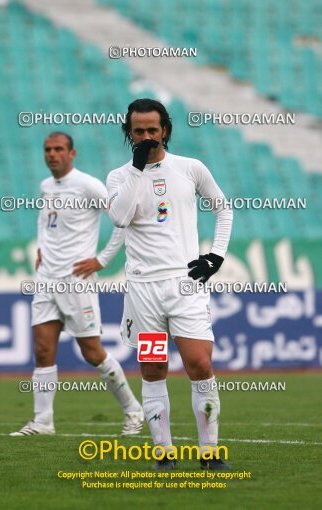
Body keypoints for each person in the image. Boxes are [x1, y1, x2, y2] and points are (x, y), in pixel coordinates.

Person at [106, 99, 233, 470]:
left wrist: (217, 255)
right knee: (153, 367)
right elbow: (119, 217)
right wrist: (136, 169)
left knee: (198, 363)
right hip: (143, 290)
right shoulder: (119, 176)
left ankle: (210, 454)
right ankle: (164, 453)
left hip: (185, 284)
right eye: (138, 131)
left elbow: (222, 208)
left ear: (166, 130)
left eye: (152, 130)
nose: (146, 137)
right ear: (129, 134)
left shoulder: (190, 168)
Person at [11, 132, 144, 437]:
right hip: (46, 279)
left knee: (92, 352)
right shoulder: (46, 186)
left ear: (72, 153)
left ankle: (133, 410)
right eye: (47, 149)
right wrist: (42, 247)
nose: (52, 154)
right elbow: (45, 221)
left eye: (58, 149)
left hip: (76, 281)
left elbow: (123, 219)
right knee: (43, 350)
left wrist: (102, 260)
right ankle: (43, 422)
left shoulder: (88, 185)